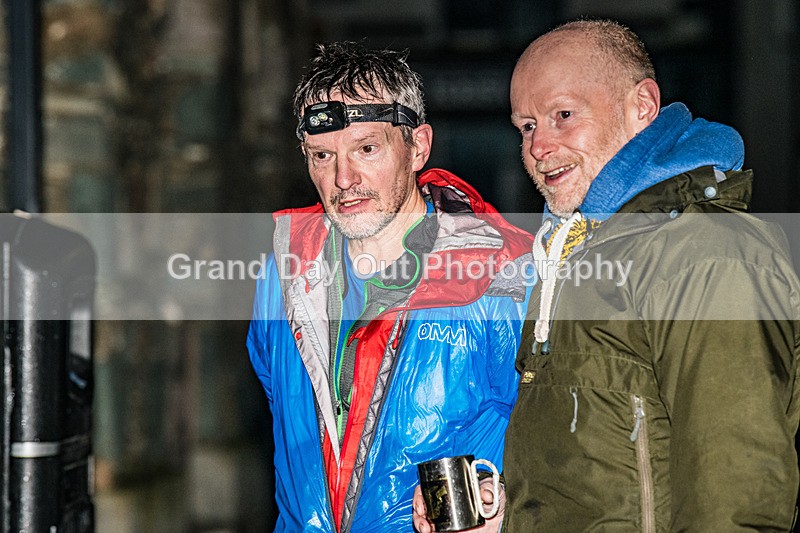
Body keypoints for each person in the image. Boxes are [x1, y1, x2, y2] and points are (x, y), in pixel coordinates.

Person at [414, 18, 800, 532]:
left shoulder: (709, 253)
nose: (538, 147)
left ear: (641, 107)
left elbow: (736, 496)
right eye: (527, 126)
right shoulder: (570, 257)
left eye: (563, 115)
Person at [246, 41, 533, 532]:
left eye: (367, 149)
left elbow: (553, 425)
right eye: (322, 155)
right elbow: (282, 411)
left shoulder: (504, 273)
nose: (343, 178)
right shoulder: (282, 270)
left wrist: (503, 495)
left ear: (418, 146)